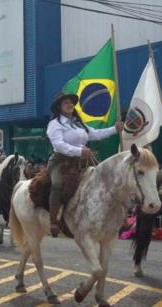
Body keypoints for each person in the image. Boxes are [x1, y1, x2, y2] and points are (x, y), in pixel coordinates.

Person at [46, 92, 122, 237]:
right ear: (59, 107)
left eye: (71, 103)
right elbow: (59, 144)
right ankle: (53, 221)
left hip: (81, 161)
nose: (69, 105)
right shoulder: (54, 124)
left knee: (102, 178)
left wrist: (114, 129)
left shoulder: (78, 123)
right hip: (61, 161)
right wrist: (80, 151)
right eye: (65, 103)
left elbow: (96, 134)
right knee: (57, 184)